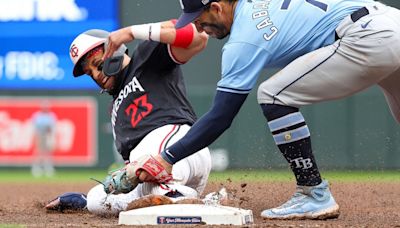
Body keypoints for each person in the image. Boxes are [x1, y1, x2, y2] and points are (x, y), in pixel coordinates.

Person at [110, 0, 400, 220]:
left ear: (217, 7)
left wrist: (166, 158)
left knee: (273, 94)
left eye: (200, 20)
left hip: (366, 37)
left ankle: (313, 191)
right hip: (389, 20)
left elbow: (221, 117)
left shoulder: (243, 40)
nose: (198, 28)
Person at [46, 19, 212, 215]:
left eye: (97, 64)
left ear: (114, 48)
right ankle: (198, 200)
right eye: (89, 73)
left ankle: (174, 195)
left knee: (152, 180)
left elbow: (198, 36)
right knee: (98, 200)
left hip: (179, 150)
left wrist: (132, 31)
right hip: (155, 175)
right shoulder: (114, 108)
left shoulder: (145, 58)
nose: (96, 75)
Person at [31, 100, 57, 178]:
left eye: (46, 107)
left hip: (48, 136)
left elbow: (53, 127)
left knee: (48, 154)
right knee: (38, 153)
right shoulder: (37, 115)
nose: (45, 109)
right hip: (40, 135)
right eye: (44, 107)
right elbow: (35, 127)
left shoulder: (51, 115)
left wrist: (51, 136)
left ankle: (48, 169)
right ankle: (36, 169)